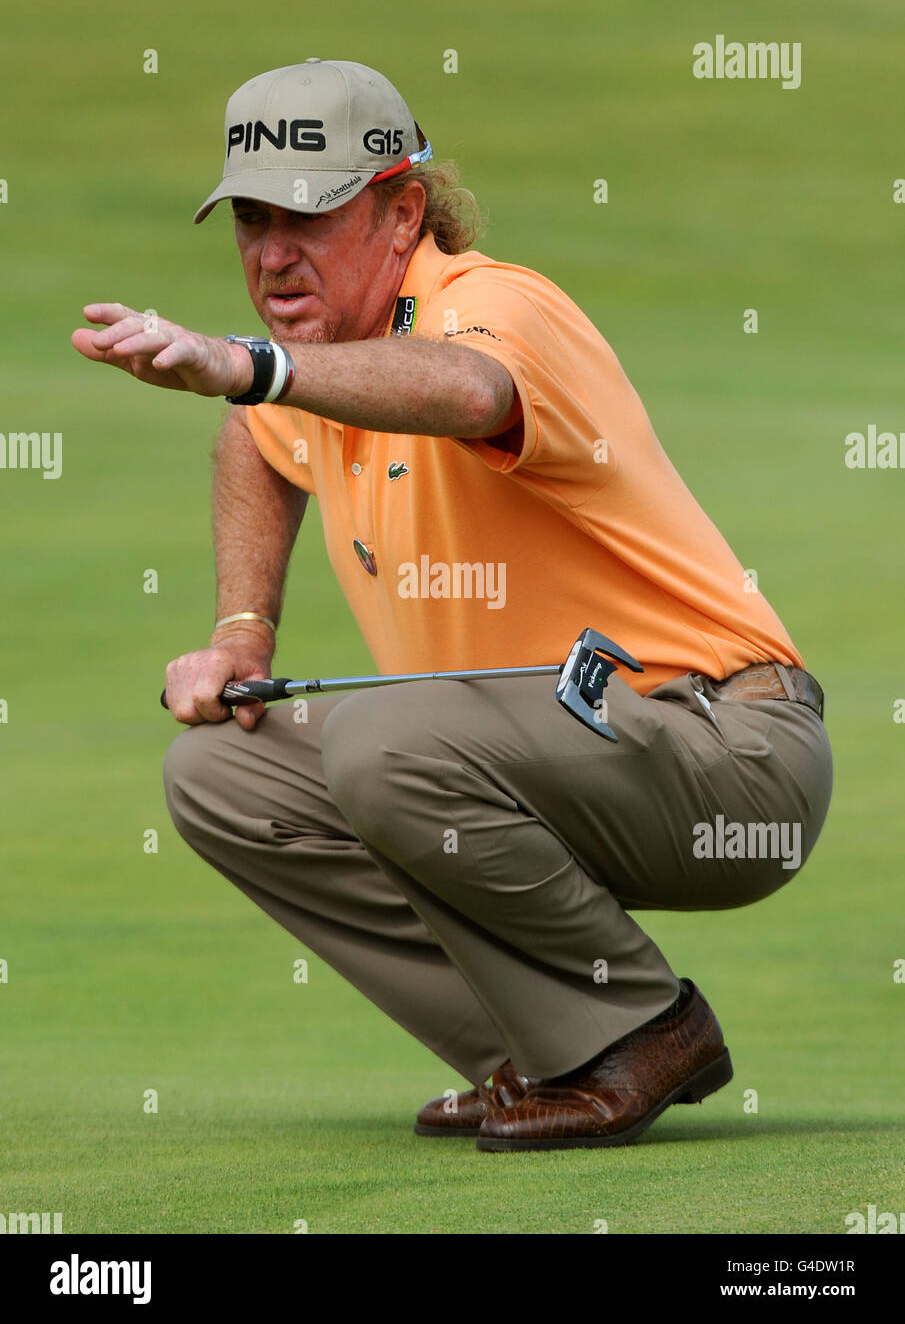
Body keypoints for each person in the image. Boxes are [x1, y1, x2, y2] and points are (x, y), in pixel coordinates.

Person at [71, 58, 833, 1152]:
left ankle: (639, 1032)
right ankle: (541, 1048)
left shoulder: (492, 303)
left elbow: (469, 391)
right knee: (220, 773)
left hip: (729, 751)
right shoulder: (316, 363)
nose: (271, 252)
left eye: (306, 214)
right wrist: (242, 628)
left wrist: (250, 362)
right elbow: (256, 435)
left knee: (384, 736)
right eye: (249, 218)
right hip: (553, 764)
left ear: (401, 210)